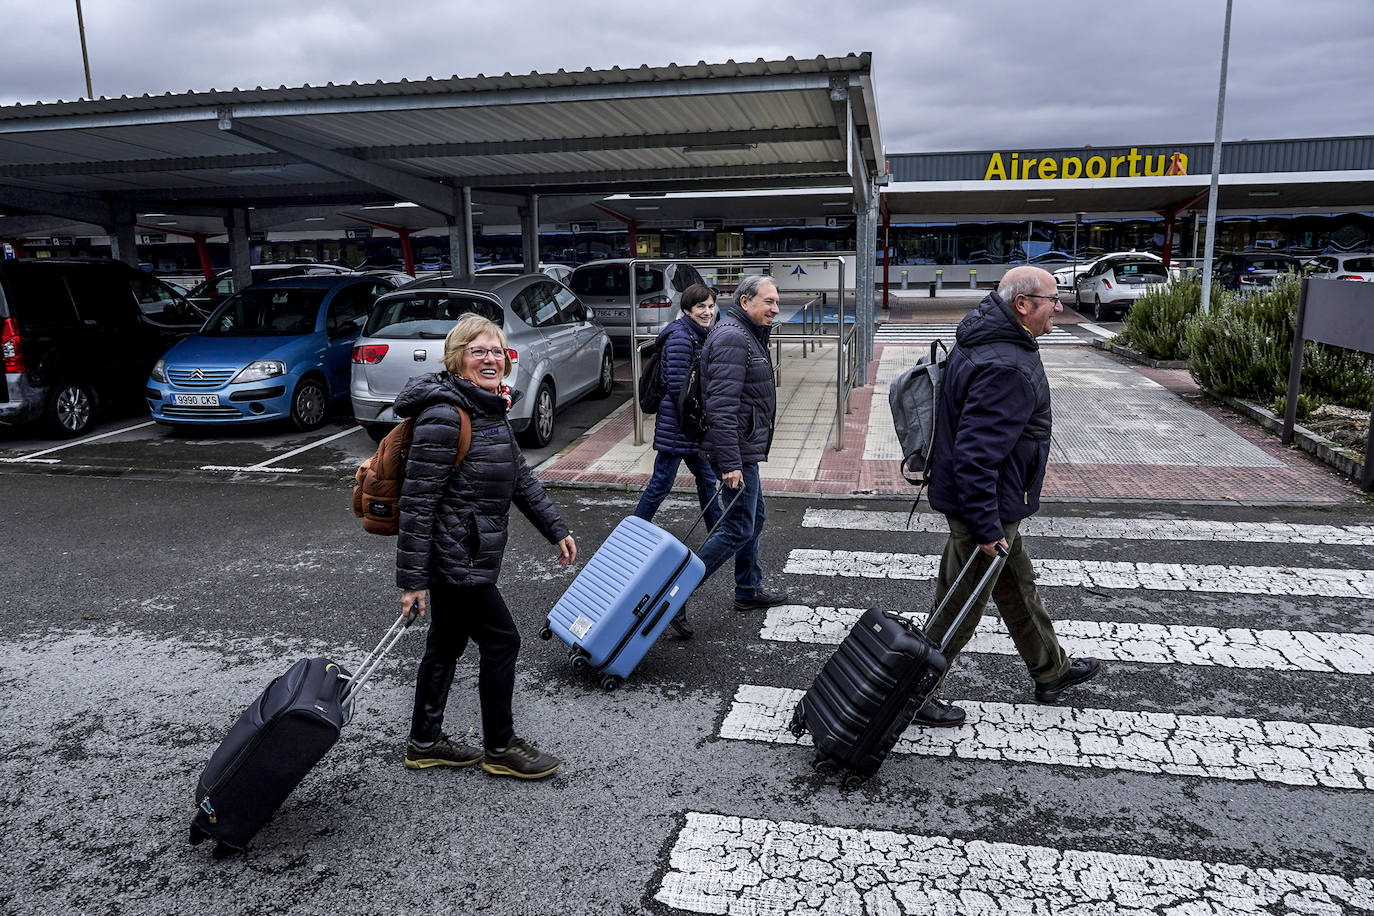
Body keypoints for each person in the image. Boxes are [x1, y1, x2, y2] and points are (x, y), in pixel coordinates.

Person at [918, 265, 1102, 728]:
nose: (1058, 309)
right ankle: (915, 691)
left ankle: (1051, 671)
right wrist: (984, 527)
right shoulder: (1007, 365)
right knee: (959, 603)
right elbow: (977, 456)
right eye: (1052, 301)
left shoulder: (987, 337)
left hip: (995, 503)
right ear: (1023, 305)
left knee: (1018, 587)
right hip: (986, 507)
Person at [394, 313, 576, 779]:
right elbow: (417, 505)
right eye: (479, 350)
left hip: (469, 551)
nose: (490, 358)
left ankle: (425, 742)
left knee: (446, 644)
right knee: (502, 642)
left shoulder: (489, 408)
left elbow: (520, 478)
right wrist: (413, 580)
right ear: (458, 359)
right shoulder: (444, 415)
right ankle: (500, 746)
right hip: (457, 558)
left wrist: (555, 528)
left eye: (496, 350)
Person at [632, 283, 722, 636]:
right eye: (700, 306)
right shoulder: (683, 336)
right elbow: (677, 384)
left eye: (711, 306)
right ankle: (636, 529)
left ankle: (717, 527)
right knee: (662, 482)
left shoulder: (695, 331)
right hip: (679, 423)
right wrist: (699, 410)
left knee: (703, 477)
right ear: (687, 308)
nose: (707, 311)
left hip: (687, 423)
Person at [695, 275, 789, 612]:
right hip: (735, 449)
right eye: (769, 302)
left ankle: (748, 588)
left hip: (743, 447)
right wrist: (730, 463)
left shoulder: (747, 334)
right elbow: (721, 407)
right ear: (745, 302)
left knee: (756, 517)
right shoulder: (734, 338)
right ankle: (671, 597)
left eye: (777, 302)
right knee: (737, 527)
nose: (775, 309)